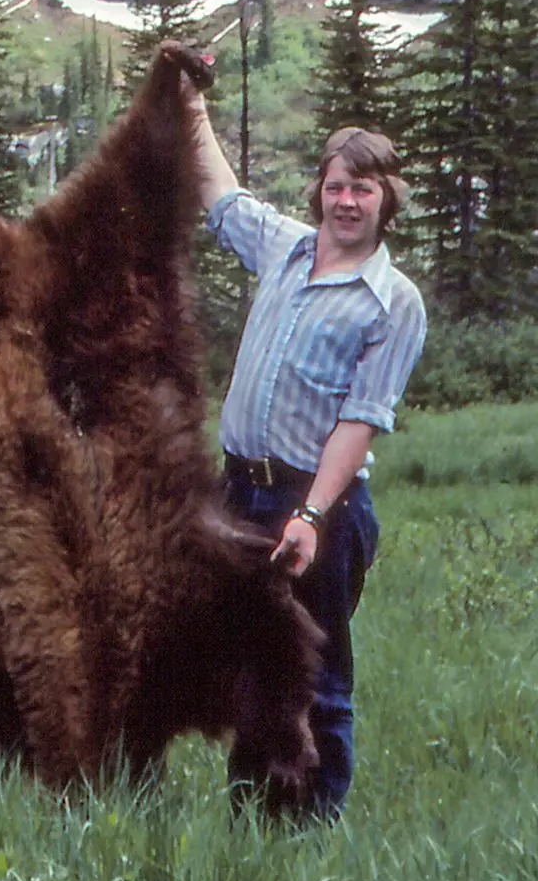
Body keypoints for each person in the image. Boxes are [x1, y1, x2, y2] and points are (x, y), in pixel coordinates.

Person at [181, 83, 427, 820]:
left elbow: (361, 420)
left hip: (316, 504)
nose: (347, 200)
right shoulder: (285, 246)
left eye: (364, 189)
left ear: (387, 201)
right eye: (337, 185)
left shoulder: (394, 301)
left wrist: (312, 515)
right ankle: (252, 821)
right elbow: (220, 194)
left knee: (315, 674)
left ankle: (313, 835)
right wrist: (190, 106)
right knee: (251, 667)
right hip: (239, 494)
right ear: (321, 190)